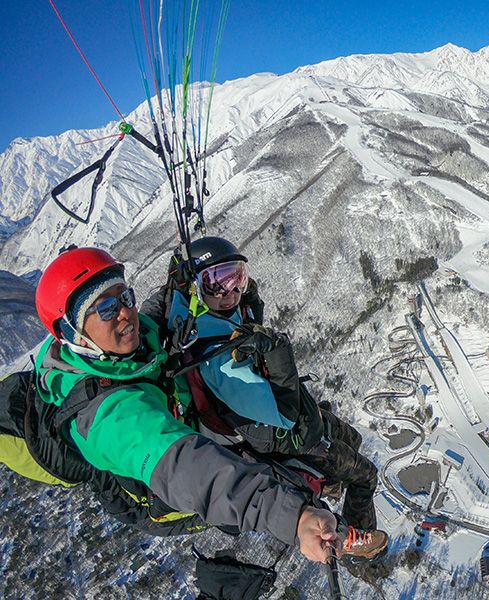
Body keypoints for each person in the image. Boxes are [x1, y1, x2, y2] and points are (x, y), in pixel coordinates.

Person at [33, 246, 340, 563]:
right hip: (163, 495)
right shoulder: (107, 417)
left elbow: (157, 314)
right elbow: (189, 469)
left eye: (125, 298)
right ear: (73, 332)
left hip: (181, 424)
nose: (125, 312)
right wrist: (294, 519)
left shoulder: (130, 341)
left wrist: (178, 283)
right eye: (107, 308)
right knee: (282, 478)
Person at [143, 236, 387, 559]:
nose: (230, 292)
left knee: (351, 439)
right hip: (282, 434)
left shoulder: (192, 315)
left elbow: (179, 295)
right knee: (365, 474)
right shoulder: (220, 363)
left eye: (236, 278)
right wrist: (278, 350)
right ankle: (355, 543)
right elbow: (292, 422)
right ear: (197, 288)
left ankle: (331, 484)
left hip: (274, 420)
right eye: (217, 283)